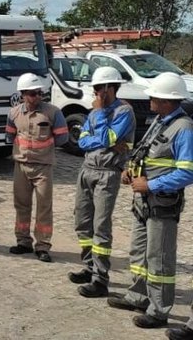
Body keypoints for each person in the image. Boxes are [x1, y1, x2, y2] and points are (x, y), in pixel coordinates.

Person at [105, 73, 193, 331]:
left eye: (154, 95)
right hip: (143, 202)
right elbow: (148, 154)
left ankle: (158, 310)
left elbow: (188, 171)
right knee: (138, 252)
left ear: (167, 100)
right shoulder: (160, 120)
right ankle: (138, 296)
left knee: (159, 259)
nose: (150, 98)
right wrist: (130, 170)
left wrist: (151, 184)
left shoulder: (184, 128)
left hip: (162, 204)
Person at [69, 66, 135, 297]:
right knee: (82, 221)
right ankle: (89, 266)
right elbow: (82, 142)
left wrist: (102, 127)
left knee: (101, 226)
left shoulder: (123, 111)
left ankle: (100, 278)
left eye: (98, 88)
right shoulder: (95, 111)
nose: (96, 93)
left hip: (108, 172)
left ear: (110, 88)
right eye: (95, 89)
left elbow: (110, 138)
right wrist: (102, 139)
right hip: (87, 169)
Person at [5, 73, 68, 262]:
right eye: (31, 94)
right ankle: (23, 241)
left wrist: (44, 149)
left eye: (38, 93)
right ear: (23, 94)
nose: (36, 97)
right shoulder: (14, 113)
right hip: (21, 166)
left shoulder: (53, 112)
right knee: (21, 205)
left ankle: (42, 245)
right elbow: (9, 136)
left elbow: (63, 138)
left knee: (44, 207)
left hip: (43, 167)